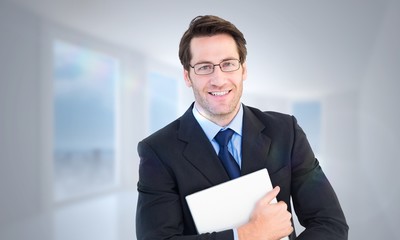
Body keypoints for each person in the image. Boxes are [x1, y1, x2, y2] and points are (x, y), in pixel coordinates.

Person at [136, 15, 348, 240]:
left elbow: (330, 223)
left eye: (228, 64)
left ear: (243, 70)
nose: (218, 79)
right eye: (205, 67)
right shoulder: (158, 151)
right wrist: (246, 235)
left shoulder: (286, 132)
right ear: (187, 76)